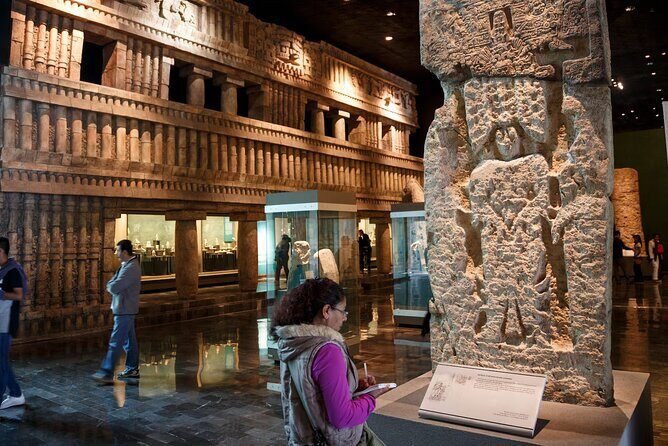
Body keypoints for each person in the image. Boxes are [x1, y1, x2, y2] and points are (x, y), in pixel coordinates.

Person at [272, 278, 388, 445]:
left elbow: (312, 395)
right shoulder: (327, 351)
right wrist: (370, 398)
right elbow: (342, 417)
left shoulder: (293, 343)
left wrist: (353, 390)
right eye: (343, 311)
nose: (344, 318)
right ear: (326, 311)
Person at [92, 239, 141, 383]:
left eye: (118, 251)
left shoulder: (131, 268)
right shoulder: (127, 265)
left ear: (124, 252)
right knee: (129, 341)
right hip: (125, 308)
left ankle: (106, 372)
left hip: (125, 309)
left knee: (116, 341)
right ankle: (132, 369)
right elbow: (113, 283)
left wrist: (110, 285)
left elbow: (113, 286)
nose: (116, 253)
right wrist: (111, 284)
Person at [0, 237, 28, 409]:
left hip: (6, 323)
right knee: (1, 361)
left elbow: (19, 295)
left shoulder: (13, 271)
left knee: (1, 362)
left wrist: (1, 294)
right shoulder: (2, 270)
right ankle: (16, 394)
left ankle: (14, 394)